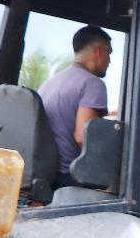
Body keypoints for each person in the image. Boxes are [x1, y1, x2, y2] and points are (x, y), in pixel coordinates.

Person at [39, 25, 112, 182]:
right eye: (108, 52)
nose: (110, 60)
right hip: (69, 177)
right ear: (98, 52)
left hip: (46, 175)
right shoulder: (92, 83)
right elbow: (84, 136)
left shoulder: (49, 83)